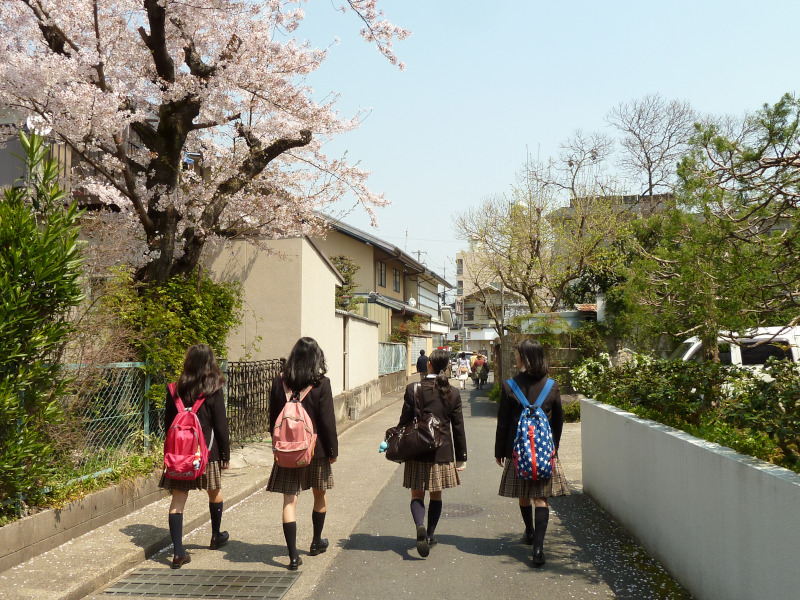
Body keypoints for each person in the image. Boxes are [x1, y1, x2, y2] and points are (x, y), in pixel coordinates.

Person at [494, 339, 569, 567]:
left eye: (517, 355)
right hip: (544, 453)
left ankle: (528, 531)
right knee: (541, 498)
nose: (515, 359)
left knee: (523, 494)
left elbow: (504, 423)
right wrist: (552, 448)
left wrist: (499, 451)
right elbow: (558, 421)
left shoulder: (510, 386)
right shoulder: (552, 386)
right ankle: (538, 548)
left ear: (525, 358)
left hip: (517, 453)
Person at [267, 337, 338, 571]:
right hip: (315, 451)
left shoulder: (280, 383)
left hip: (288, 452)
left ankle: (292, 556)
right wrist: (332, 451)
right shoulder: (321, 384)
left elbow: (273, 420)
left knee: (289, 501)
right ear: (316, 358)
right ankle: (317, 541)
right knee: (320, 494)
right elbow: (327, 422)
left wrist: (277, 445)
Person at [160, 344, 231, 569]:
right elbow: (220, 425)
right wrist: (226, 454)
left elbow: (167, 424)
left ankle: (178, 551)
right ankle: (216, 535)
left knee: (178, 500)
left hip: (180, 456)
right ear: (210, 363)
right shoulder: (214, 388)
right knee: (215, 493)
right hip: (206, 454)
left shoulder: (175, 390)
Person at [396, 348, 467, 558]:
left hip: (417, 449)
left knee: (417, 493)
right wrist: (461, 456)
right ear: (446, 367)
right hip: (442, 451)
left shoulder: (413, 388)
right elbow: (458, 427)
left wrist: (393, 442)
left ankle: (419, 525)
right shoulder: (452, 392)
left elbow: (404, 421)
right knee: (436, 494)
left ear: (429, 364)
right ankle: (430, 534)